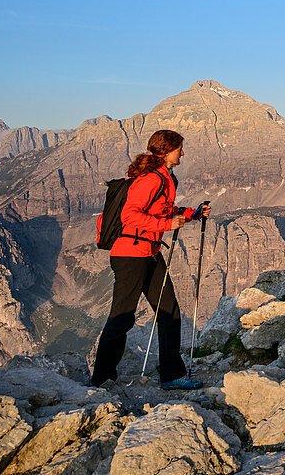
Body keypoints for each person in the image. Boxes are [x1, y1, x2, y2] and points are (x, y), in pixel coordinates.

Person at [90, 129, 212, 389]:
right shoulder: (150, 179)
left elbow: (164, 209)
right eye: (180, 148)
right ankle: (101, 379)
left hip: (150, 253)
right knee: (122, 316)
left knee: (169, 311)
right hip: (130, 256)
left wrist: (193, 213)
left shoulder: (167, 177)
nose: (183, 153)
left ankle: (172, 375)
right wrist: (167, 224)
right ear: (167, 151)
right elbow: (130, 216)